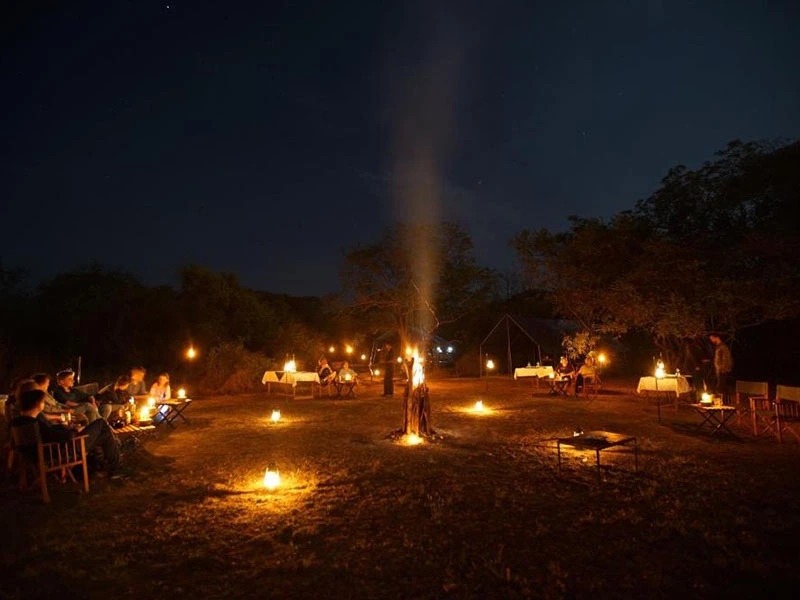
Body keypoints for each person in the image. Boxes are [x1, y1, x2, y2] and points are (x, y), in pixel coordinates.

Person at [11, 389, 120, 477]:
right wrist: (74, 431)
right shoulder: (36, 424)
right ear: (37, 404)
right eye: (43, 402)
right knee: (101, 423)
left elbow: (49, 434)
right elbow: (56, 436)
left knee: (105, 435)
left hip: (47, 453)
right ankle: (114, 467)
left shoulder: (18, 422)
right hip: (65, 451)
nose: (43, 404)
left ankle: (109, 465)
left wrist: (63, 428)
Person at [709, 334, 734, 398]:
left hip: (723, 370)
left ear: (717, 337)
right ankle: (723, 399)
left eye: (712, 338)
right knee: (720, 385)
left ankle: (723, 400)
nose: (711, 340)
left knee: (721, 386)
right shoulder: (718, 347)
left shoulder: (723, 347)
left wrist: (723, 368)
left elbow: (726, 358)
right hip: (719, 369)